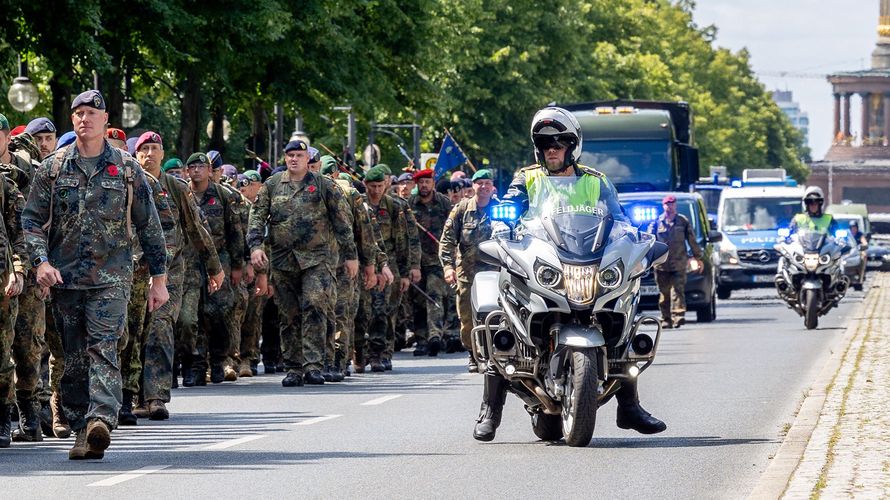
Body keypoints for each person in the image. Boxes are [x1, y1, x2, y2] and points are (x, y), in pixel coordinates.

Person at [472, 106, 665, 442]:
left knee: (621, 314)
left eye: (560, 141)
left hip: (585, 261)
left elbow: (620, 220)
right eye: (546, 142)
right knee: (502, 320)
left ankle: (629, 406)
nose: (553, 147)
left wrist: (633, 238)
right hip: (541, 261)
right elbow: (510, 207)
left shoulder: (596, 181)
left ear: (572, 146)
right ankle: (491, 409)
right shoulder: (527, 178)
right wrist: (502, 223)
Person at [21, 89, 169, 460]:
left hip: (112, 279)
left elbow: (149, 226)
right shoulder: (52, 169)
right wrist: (40, 262)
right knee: (72, 358)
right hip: (65, 280)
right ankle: (81, 429)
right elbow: (31, 221)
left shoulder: (128, 169)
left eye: (91, 113)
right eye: (78, 113)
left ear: (106, 121)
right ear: (73, 120)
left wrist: (159, 279)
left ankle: (101, 417)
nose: (84, 119)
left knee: (103, 348)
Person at [247, 139, 357, 387]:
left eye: (299, 155)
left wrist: (351, 256)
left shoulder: (323, 185)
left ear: (308, 158)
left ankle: (314, 365)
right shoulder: (272, 185)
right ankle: (294, 367)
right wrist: (255, 247)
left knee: (315, 305)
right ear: (285, 159)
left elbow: (342, 221)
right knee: (288, 314)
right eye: (290, 156)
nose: (294, 159)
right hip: (283, 259)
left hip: (317, 259)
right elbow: (257, 217)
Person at [186, 152, 243, 384]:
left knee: (218, 312)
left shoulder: (222, 195)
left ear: (210, 170)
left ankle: (218, 359)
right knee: (194, 314)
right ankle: (197, 365)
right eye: (193, 167)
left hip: (220, 260)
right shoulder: (183, 193)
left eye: (201, 166)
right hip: (191, 260)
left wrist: (239, 265)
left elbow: (235, 232)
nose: (197, 170)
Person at [439, 169, 496, 373]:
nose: (484, 187)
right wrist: (448, 267)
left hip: (496, 274)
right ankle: (473, 353)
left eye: (487, 183)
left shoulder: (502, 209)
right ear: (473, 186)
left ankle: (494, 353)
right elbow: (447, 241)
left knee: (496, 315)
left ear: (492, 186)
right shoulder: (461, 209)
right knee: (467, 318)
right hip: (467, 275)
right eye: (479, 183)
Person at [408, 169, 452, 356]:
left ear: (433, 183)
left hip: (436, 259)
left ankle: (435, 335)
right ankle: (422, 339)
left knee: (434, 295)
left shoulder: (443, 203)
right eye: (421, 182)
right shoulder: (410, 205)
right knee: (417, 301)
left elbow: (452, 227)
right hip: (416, 260)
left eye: (427, 182)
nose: (424, 185)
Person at [646, 194, 702, 329]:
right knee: (664, 293)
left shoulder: (682, 221)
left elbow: (692, 240)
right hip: (661, 265)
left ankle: (679, 315)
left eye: (672, 204)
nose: (669, 206)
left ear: (675, 205)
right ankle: (666, 318)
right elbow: (649, 242)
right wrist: (647, 260)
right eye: (667, 204)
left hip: (679, 263)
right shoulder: (656, 223)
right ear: (663, 205)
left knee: (678, 290)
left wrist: (697, 257)